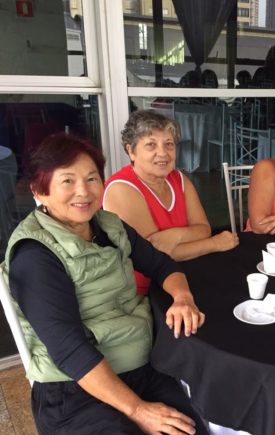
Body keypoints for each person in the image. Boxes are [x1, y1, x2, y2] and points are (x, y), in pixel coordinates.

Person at [4, 133, 208, 434]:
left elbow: (162, 265)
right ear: (39, 190)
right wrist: (138, 410)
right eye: (68, 181)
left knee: (191, 427)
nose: (83, 191)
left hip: (140, 367)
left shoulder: (110, 225)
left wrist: (182, 298)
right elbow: (69, 350)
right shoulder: (35, 255)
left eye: (91, 178)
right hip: (74, 388)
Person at [103, 110, 239, 294]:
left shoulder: (178, 179)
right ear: (131, 151)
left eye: (169, 144)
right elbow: (154, 255)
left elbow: (203, 229)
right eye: (151, 145)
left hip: (185, 274)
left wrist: (175, 236)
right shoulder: (121, 189)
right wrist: (215, 243)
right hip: (144, 291)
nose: (163, 153)